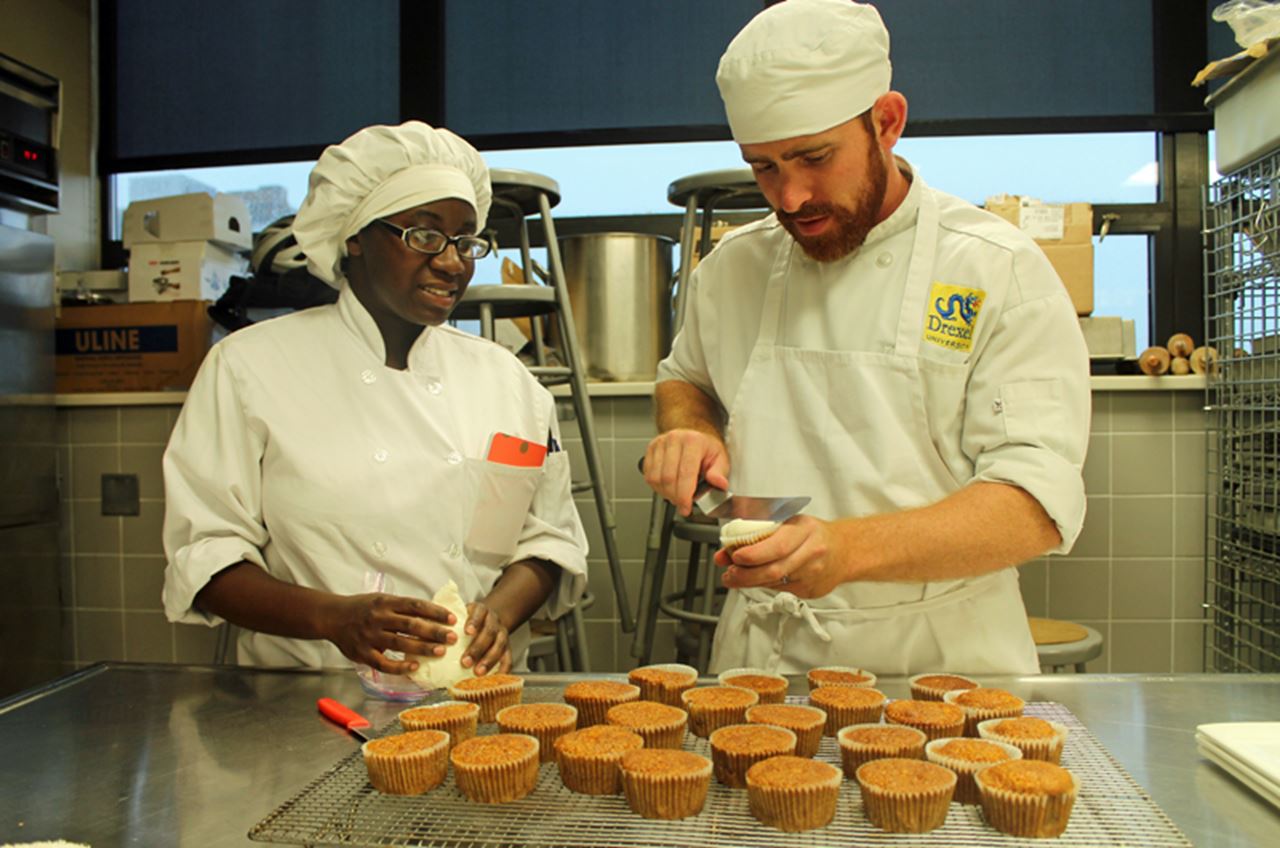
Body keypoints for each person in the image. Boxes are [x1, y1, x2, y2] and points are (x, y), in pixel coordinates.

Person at [643, 0, 1090, 675]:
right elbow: (686, 379)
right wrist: (691, 428)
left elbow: (1034, 505)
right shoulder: (732, 268)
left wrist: (846, 551)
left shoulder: (996, 268)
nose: (790, 197)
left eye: (814, 158)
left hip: (944, 665)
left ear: (887, 122)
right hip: (764, 661)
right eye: (764, 168)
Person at [162, 121, 588, 679]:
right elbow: (207, 556)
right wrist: (333, 619)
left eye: (465, 241)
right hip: (309, 698)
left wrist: (497, 619)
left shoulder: (508, 382)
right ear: (355, 236)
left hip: (474, 698)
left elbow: (547, 539)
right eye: (424, 235)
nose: (452, 262)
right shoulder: (250, 368)